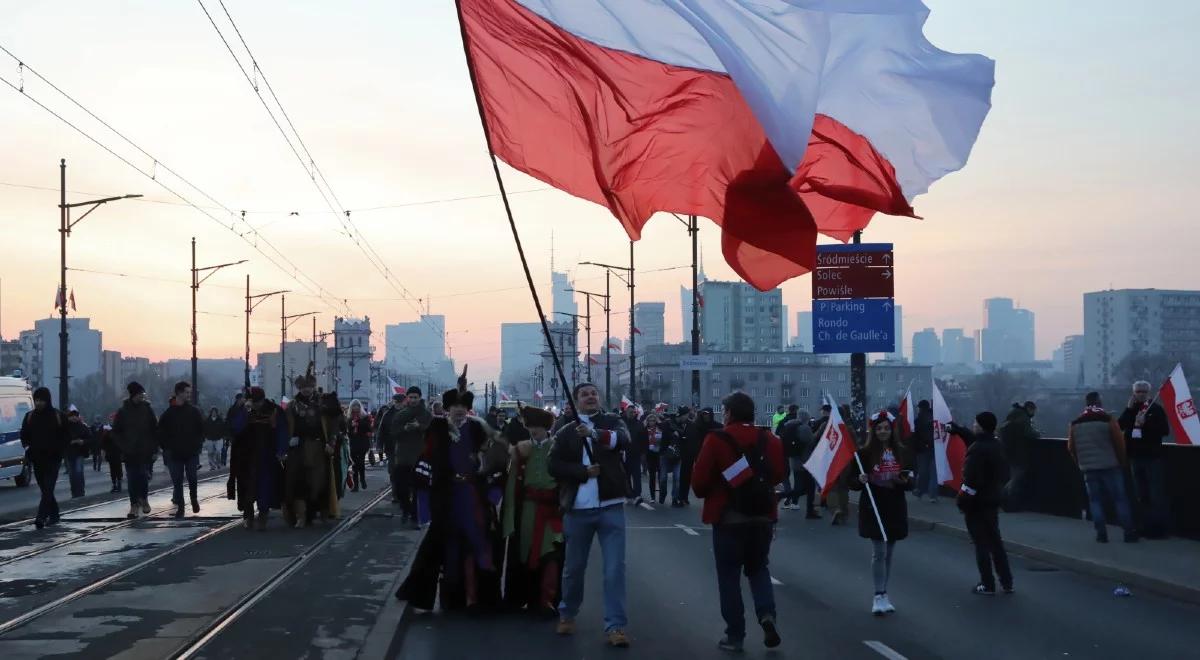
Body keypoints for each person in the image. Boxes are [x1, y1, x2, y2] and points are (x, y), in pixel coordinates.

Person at [397, 383, 509, 613]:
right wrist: (423, 500)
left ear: (468, 408)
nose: (459, 410)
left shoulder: (478, 429)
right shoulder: (437, 428)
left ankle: (475, 598)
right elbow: (426, 458)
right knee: (438, 545)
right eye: (454, 406)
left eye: (463, 406)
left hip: (473, 496)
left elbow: (495, 459)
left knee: (477, 544)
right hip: (445, 496)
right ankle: (428, 595)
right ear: (447, 408)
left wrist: (491, 489)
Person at [692, 392, 785, 653]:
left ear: (730, 413)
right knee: (758, 569)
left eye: (724, 411)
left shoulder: (716, 439)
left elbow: (699, 485)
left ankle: (735, 635)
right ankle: (767, 615)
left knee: (729, 577)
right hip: (763, 517)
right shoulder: (771, 440)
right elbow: (779, 474)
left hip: (728, 518)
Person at [549, 383, 632, 648]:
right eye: (584, 394)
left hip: (611, 506)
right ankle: (567, 613)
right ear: (575, 401)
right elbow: (553, 465)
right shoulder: (564, 430)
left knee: (614, 570)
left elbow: (624, 440)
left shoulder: (612, 421)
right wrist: (582, 472)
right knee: (573, 569)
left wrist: (594, 433)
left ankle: (616, 626)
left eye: (594, 393)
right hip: (578, 509)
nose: (590, 397)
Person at [845, 412, 913, 616]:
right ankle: (878, 594)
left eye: (886, 428)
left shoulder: (902, 451)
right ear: (873, 431)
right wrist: (860, 480)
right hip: (873, 506)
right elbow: (851, 482)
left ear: (892, 430)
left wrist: (905, 481)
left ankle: (885, 593)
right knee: (879, 552)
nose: (883, 431)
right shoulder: (864, 453)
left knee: (889, 552)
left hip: (895, 506)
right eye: (879, 428)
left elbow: (911, 480)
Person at [502, 405, 563, 617]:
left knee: (551, 554)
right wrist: (508, 521)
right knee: (525, 553)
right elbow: (511, 485)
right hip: (527, 510)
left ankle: (547, 600)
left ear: (546, 427)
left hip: (552, 512)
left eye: (537, 426)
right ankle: (522, 599)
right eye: (530, 427)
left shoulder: (558, 447)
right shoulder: (521, 449)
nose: (534, 431)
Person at [951, 412, 1014, 595]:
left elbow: (970, 480)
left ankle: (987, 583)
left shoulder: (977, 449)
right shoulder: (997, 445)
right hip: (993, 499)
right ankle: (1007, 581)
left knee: (981, 544)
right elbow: (1005, 474)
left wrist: (961, 500)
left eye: (975, 423)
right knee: (996, 542)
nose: (973, 425)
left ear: (980, 426)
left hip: (976, 503)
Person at [1067, 392, 1136, 543]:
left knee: (1095, 501)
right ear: (1099, 402)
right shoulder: (1107, 420)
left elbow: (1071, 447)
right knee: (1120, 499)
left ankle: (1101, 534)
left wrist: (1081, 462)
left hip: (1088, 468)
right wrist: (1121, 461)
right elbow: (1119, 443)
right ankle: (1128, 532)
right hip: (1110, 465)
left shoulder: (1076, 423)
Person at [228, 387, 287, 530]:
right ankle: (248, 515)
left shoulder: (274, 410)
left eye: (257, 402)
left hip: (267, 454)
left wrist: (281, 450)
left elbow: (281, 431)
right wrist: (244, 412)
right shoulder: (244, 410)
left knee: (264, 487)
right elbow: (236, 428)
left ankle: (263, 515)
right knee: (247, 487)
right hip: (246, 456)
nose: (255, 405)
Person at [1119, 380, 1171, 538]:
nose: (1140, 394)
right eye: (1137, 391)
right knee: (1141, 495)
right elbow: (1120, 425)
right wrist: (1129, 410)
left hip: (1152, 457)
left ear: (1148, 393)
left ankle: (1158, 529)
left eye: (1143, 391)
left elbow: (1164, 430)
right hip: (1135, 457)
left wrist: (1145, 423)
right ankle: (1144, 526)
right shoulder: (1131, 410)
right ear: (1133, 393)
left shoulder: (1155, 409)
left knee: (1156, 495)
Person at [284, 371, 331, 528]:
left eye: (309, 387)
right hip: (298, 449)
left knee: (320, 482)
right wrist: (289, 440)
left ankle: (322, 513)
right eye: (303, 387)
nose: (306, 390)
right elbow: (286, 426)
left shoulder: (322, 404)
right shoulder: (292, 405)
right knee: (298, 482)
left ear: (313, 387)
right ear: (299, 388)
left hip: (319, 448)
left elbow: (331, 425)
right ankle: (301, 516)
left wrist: (330, 442)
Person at [20, 387, 68, 528]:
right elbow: (24, 434)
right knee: (45, 488)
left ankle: (41, 516)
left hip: (53, 459)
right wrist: (28, 447)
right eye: (37, 400)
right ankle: (54, 514)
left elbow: (66, 435)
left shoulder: (58, 416)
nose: (38, 403)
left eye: (41, 400)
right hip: (37, 459)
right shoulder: (29, 417)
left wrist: (59, 450)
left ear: (47, 401)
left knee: (48, 487)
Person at [385, 386, 432, 526]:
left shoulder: (426, 414)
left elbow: (431, 432)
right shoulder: (401, 414)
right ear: (407, 398)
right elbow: (393, 432)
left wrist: (420, 426)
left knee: (418, 489)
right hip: (403, 456)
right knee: (401, 489)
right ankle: (406, 509)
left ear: (419, 398)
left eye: (415, 397)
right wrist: (404, 428)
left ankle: (415, 517)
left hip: (420, 457)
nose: (412, 400)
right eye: (410, 397)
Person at [158, 381, 206, 518]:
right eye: (187, 392)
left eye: (190, 393)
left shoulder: (193, 411)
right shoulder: (168, 413)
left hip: (191, 451)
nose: (189, 395)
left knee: (192, 477)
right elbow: (161, 431)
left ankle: (194, 499)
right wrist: (166, 447)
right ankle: (181, 507)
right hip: (174, 452)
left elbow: (201, 429)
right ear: (179, 393)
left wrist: (198, 444)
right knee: (177, 481)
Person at [112, 382, 158, 519]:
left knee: (143, 476)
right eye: (139, 394)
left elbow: (154, 429)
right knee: (132, 478)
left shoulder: (147, 409)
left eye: (142, 394)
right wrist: (123, 446)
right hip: (130, 451)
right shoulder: (123, 411)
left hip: (145, 450)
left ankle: (143, 499)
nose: (141, 397)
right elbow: (116, 432)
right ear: (133, 395)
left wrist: (154, 448)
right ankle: (134, 504)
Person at [999, 401, 1039, 512]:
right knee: (1017, 478)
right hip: (1018, 453)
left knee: (1014, 476)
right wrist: (1037, 433)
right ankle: (1004, 498)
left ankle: (1006, 501)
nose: (1034, 413)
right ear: (1030, 409)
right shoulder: (1023, 418)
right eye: (1034, 411)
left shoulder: (1013, 414)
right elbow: (1028, 433)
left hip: (1008, 451)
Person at [780, 410, 820, 517]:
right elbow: (811, 442)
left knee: (799, 484)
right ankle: (809, 511)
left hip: (794, 460)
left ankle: (789, 498)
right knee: (810, 487)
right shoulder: (804, 428)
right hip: (805, 460)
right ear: (806, 418)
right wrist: (818, 431)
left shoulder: (789, 426)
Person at [911, 400, 938, 503]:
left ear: (921, 408)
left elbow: (915, 436)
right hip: (934, 448)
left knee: (922, 472)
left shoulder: (918, 420)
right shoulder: (935, 417)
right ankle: (933, 495)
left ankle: (920, 491)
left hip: (922, 450)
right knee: (934, 472)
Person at [64, 406, 91, 498]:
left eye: (76, 416)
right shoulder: (65, 428)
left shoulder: (83, 426)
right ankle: (74, 492)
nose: (74, 417)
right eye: (72, 416)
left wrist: (83, 441)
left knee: (79, 472)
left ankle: (81, 492)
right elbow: (60, 439)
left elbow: (90, 438)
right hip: (69, 453)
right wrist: (69, 442)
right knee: (72, 474)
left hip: (80, 452)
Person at [347, 400, 373, 492]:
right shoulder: (349, 418)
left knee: (360, 462)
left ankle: (362, 479)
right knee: (354, 464)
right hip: (353, 443)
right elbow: (348, 432)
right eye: (354, 406)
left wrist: (359, 424)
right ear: (351, 407)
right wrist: (351, 426)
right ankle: (356, 485)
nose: (356, 408)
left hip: (362, 443)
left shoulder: (365, 417)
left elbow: (369, 429)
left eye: (357, 406)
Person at [622, 405, 646, 505]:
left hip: (636, 453)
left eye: (633, 412)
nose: (632, 414)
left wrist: (643, 452)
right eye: (630, 412)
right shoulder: (622, 424)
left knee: (636, 475)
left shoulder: (639, 424)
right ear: (626, 412)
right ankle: (628, 494)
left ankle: (637, 495)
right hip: (624, 453)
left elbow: (644, 439)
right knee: (626, 475)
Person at [101, 422, 123, 493]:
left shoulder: (116, 432)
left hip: (115, 453)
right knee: (115, 469)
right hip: (112, 453)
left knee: (115, 469)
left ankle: (117, 484)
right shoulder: (107, 433)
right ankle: (116, 484)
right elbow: (103, 445)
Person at [203, 407, 225, 472]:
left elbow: (224, 428)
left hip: (218, 438)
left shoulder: (220, 420)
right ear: (211, 413)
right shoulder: (207, 420)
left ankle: (218, 464)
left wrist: (224, 436)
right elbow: (204, 428)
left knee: (218, 452)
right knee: (210, 453)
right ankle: (212, 466)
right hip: (209, 438)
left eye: (215, 412)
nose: (214, 413)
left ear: (217, 413)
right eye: (213, 412)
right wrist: (205, 436)